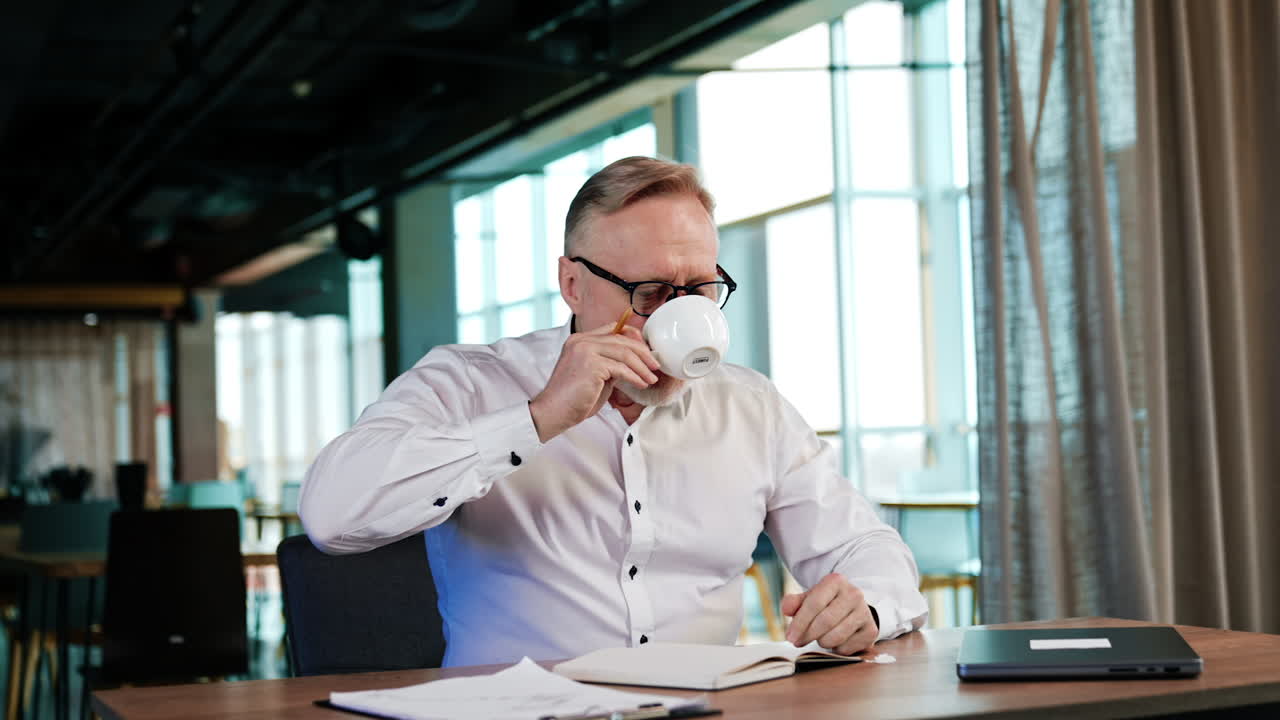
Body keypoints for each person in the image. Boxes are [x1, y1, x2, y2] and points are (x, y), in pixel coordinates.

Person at [299, 156, 928, 667]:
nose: (680, 320)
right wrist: (538, 417)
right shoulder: (471, 383)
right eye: (651, 293)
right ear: (573, 284)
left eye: (702, 290)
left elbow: (866, 548)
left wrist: (865, 605)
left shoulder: (749, 406)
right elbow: (332, 514)